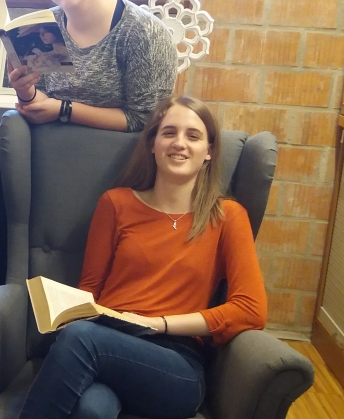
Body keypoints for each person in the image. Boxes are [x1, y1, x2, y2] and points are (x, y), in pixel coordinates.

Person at [19, 95, 267, 419]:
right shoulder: (116, 203)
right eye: (169, 132)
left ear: (209, 151)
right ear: (152, 143)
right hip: (107, 340)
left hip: (175, 362)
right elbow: (89, 289)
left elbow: (251, 310)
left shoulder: (227, 217)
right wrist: (68, 310)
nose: (179, 143)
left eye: (193, 136)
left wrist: (158, 324)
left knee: (80, 339)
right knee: (92, 410)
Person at [9, 0, 176, 131]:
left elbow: (145, 119)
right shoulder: (43, 26)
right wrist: (26, 91)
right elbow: (42, 105)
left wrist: (66, 109)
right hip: (50, 146)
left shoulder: (144, 32)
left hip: (117, 150)